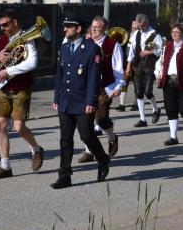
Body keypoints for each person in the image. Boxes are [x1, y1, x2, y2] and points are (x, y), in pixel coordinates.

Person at [51, 16, 111, 189]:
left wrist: (91, 100)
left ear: (78, 29)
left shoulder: (92, 49)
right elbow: (60, 75)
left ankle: (103, 158)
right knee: (65, 138)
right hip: (65, 100)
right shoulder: (64, 48)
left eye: (68, 27)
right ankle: (64, 175)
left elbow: (93, 78)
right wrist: (56, 98)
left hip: (83, 101)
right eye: (64, 26)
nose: (65, 30)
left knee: (86, 135)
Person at [0, 9, 45, 179]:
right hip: (4, 88)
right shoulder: (0, 40)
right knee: (0, 125)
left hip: (21, 88)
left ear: (15, 22)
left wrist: (9, 70)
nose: (2, 28)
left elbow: (32, 62)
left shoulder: (27, 39)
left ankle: (36, 149)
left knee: (18, 127)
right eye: (1, 25)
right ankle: (5, 166)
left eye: (5, 24)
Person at [77, 16, 123, 163]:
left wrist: (118, 86)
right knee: (86, 121)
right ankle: (89, 151)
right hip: (86, 87)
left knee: (101, 119)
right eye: (93, 26)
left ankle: (112, 137)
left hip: (105, 87)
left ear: (104, 29)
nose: (94, 29)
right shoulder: (85, 43)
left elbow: (118, 68)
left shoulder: (112, 44)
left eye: (98, 27)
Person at [125, 14, 163, 127]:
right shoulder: (136, 34)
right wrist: (128, 66)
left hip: (150, 65)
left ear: (147, 23)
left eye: (142, 25)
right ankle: (142, 119)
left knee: (148, 91)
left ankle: (156, 109)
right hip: (138, 65)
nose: (140, 27)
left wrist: (148, 51)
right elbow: (131, 50)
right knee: (138, 92)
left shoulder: (154, 34)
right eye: (139, 25)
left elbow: (160, 49)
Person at [115, 20, 139, 112]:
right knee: (124, 82)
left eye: (136, 28)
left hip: (137, 62)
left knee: (137, 83)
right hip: (126, 61)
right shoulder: (127, 34)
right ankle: (122, 104)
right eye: (133, 28)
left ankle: (135, 103)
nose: (134, 30)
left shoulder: (142, 37)